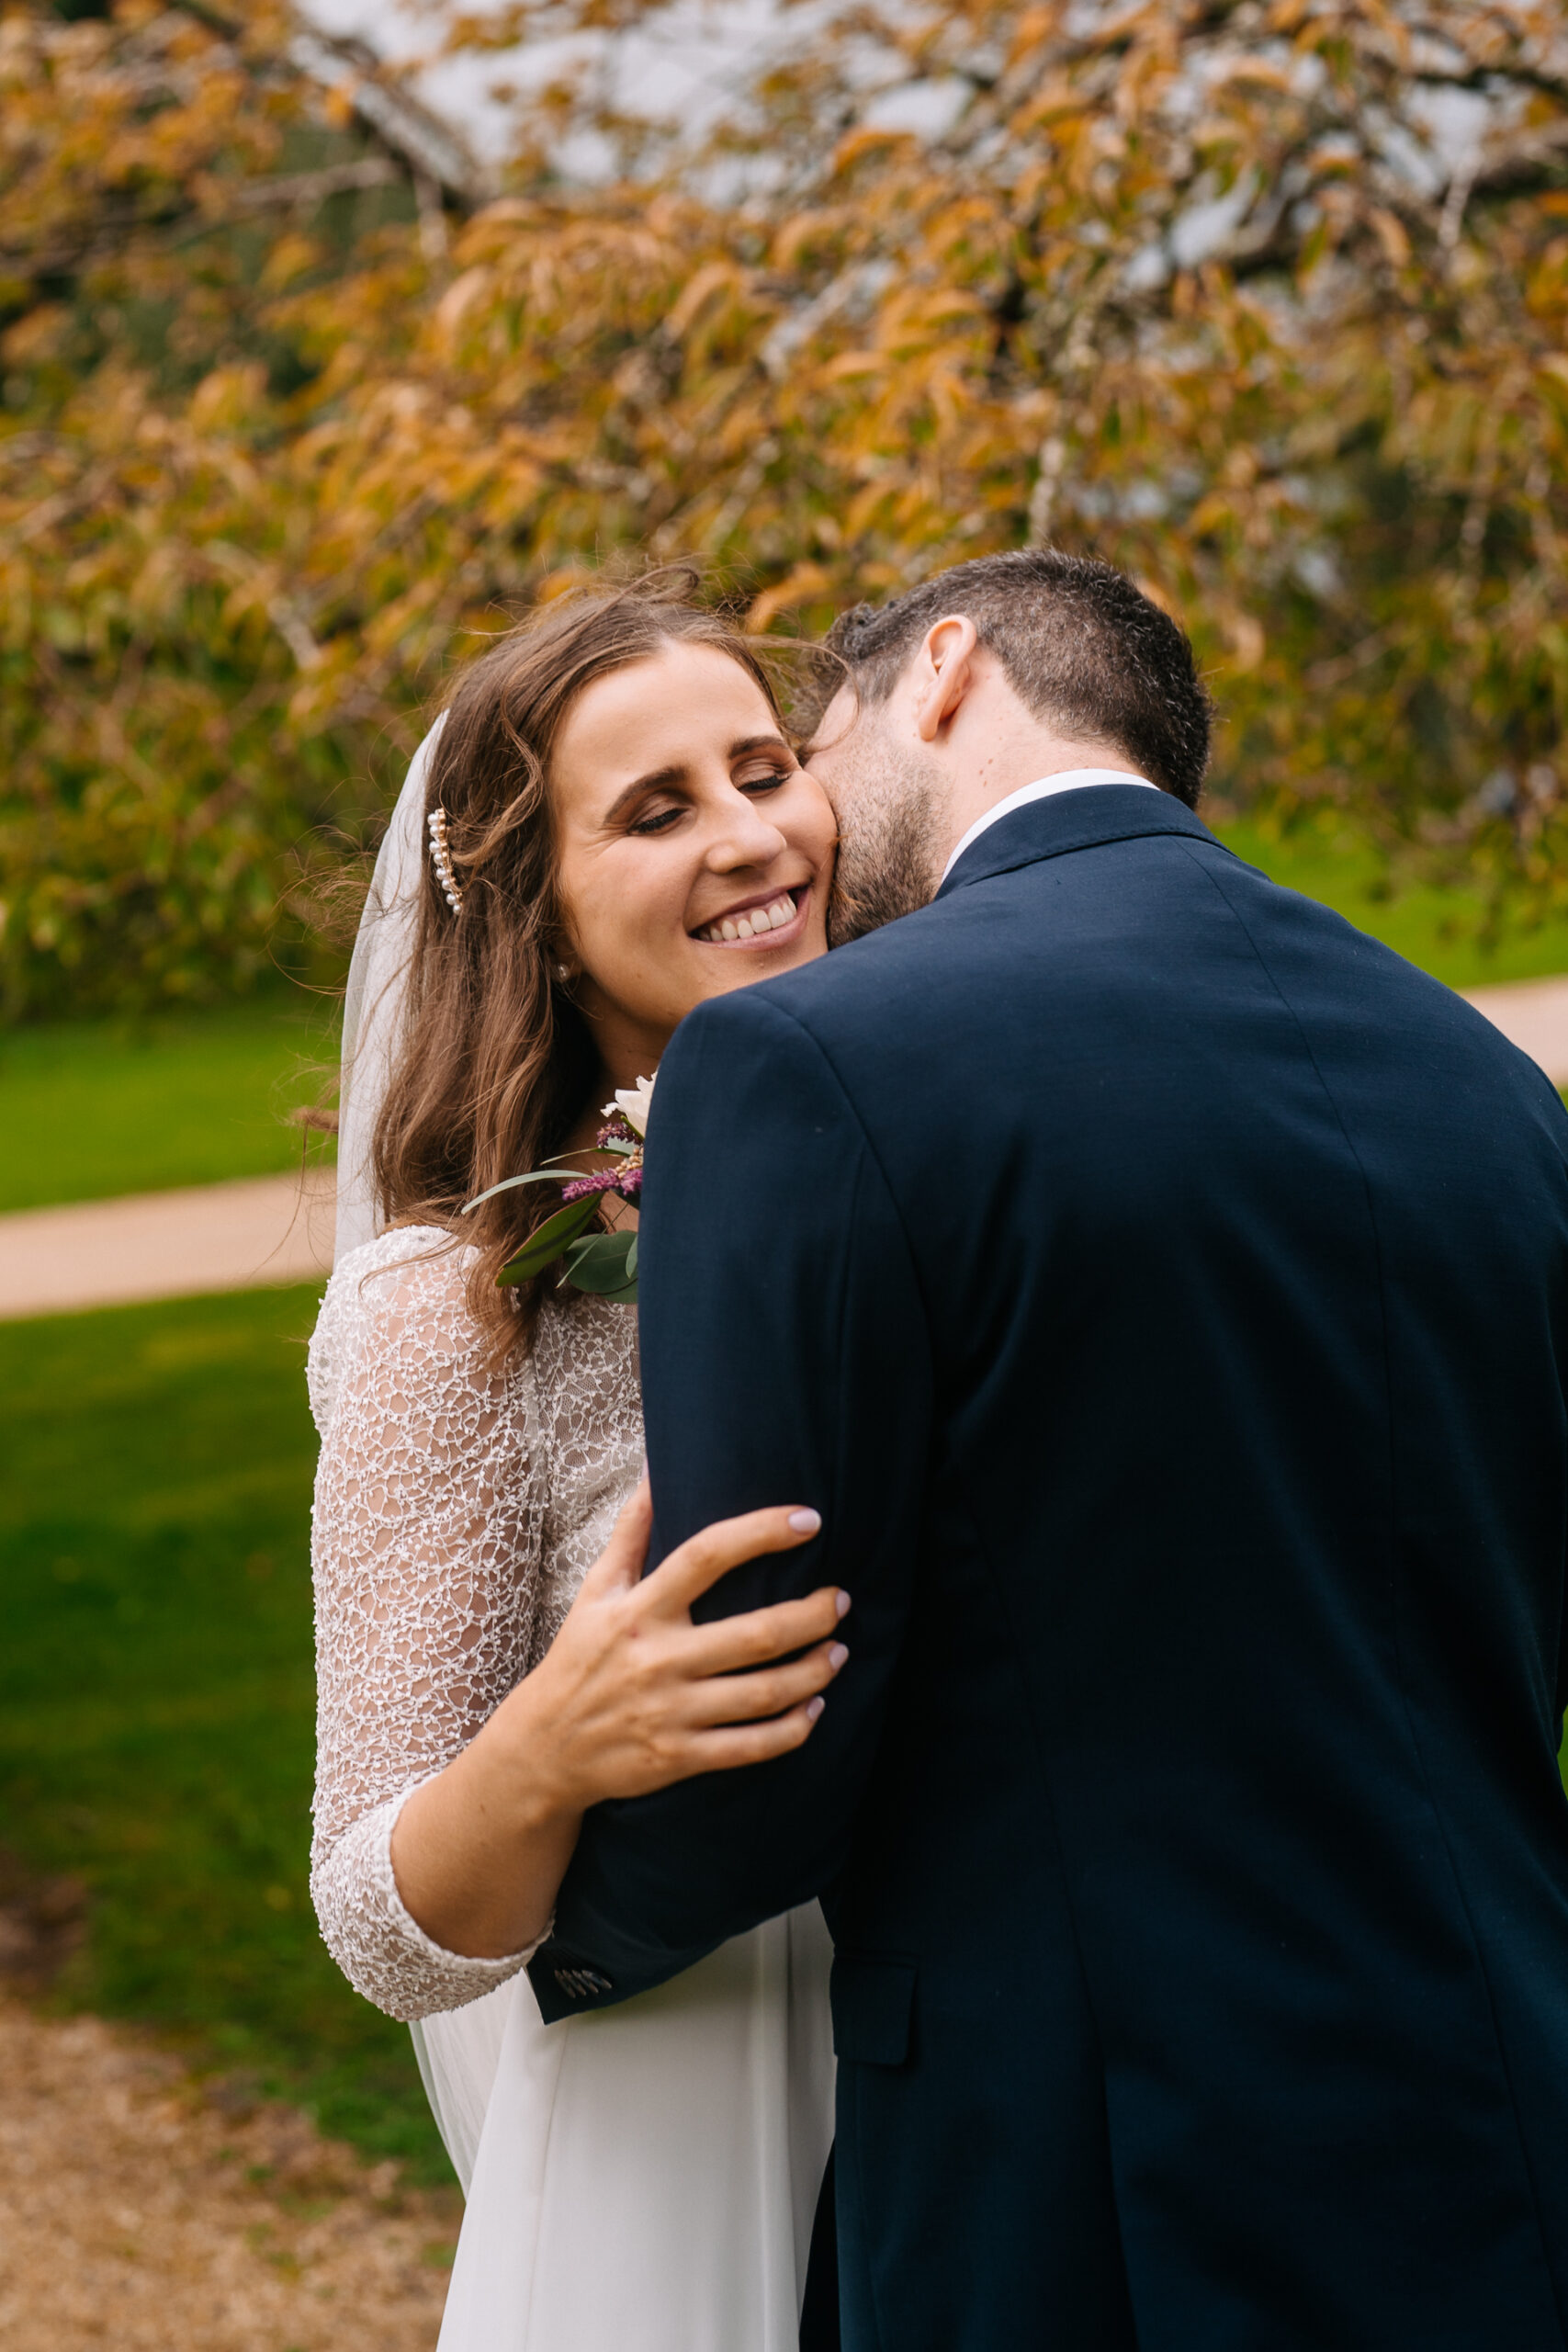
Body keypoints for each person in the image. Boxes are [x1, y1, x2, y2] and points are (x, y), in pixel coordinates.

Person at [530, 548, 1568, 2350]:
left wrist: (555, 1928)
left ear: (937, 675)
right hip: (1499, 2123)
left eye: (803, 758)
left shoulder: (804, 1060)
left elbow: (773, 1686)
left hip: (1087, 2178)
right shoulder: (1480, 1082)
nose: (805, 852)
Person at [308, 573, 846, 2352]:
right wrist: (551, 1744)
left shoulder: (944, 1178)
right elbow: (386, 1920)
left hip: (998, 2058)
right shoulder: (451, 1309)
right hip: (691, 2108)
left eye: (763, 766)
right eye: (657, 807)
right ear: (532, 917)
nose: (751, 833)